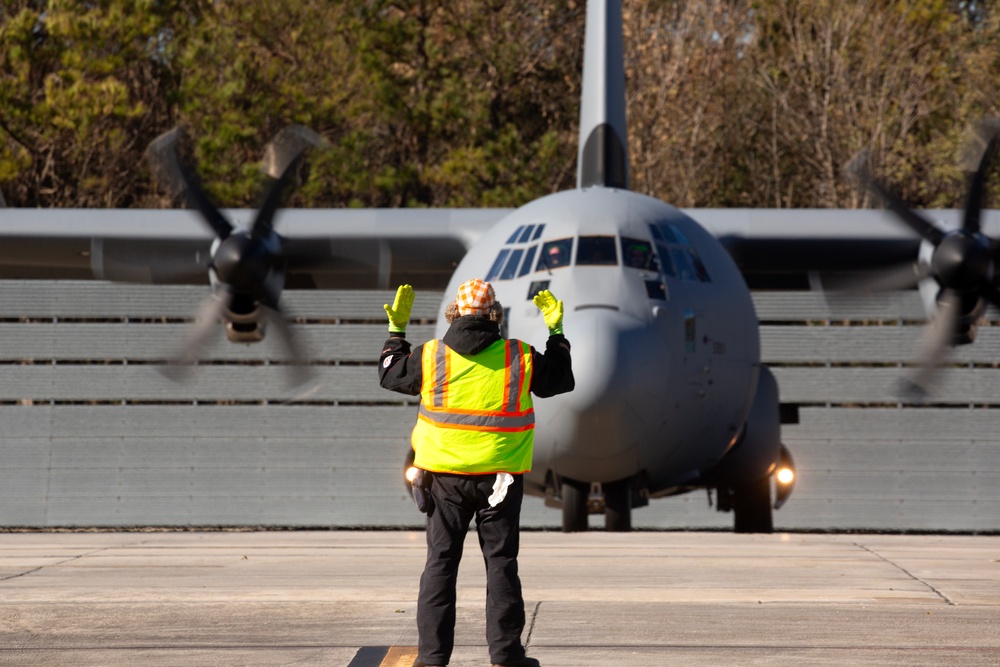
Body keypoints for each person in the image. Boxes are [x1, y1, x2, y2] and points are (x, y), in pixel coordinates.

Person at [379, 278, 574, 667]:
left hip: (443, 481)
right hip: (500, 480)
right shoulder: (520, 355)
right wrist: (556, 332)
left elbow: (388, 374)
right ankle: (505, 656)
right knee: (501, 565)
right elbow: (562, 380)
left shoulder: (432, 355)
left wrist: (396, 332)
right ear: (494, 315)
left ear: (454, 313)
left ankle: (432, 659)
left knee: (440, 564)